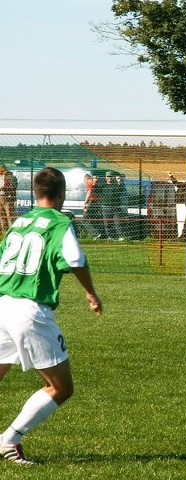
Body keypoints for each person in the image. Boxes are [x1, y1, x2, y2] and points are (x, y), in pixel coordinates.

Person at [0, 167, 102, 465]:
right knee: (61, 387)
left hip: (2, 302)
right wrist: (90, 292)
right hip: (30, 311)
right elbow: (75, 259)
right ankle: (9, 439)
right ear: (61, 195)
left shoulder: (19, 222)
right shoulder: (59, 222)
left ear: (35, 192)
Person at [99, 172, 125, 241]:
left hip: (115, 208)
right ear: (105, 177)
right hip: (105, 207)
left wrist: (119, 182)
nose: (109, 178)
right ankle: (110, 237)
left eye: (110, 176)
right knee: (106, 223)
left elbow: (120, 190)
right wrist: (94, 183)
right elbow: (96, 190)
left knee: (117, 222)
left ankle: (120, 237)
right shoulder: (103, 186)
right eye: (108, 176)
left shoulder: (115, 185)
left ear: (112, 177)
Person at [82, 173, 103, 240]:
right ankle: (99, 233)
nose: (84, 182)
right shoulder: (94, 183)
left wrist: (85, 204)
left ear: (86, 179)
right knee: (93, 218)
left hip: (92, 202)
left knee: (84, 219)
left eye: (84, 180)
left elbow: (89, 193)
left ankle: (95, 234)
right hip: (97, 202)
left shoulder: (89, 182)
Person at [0, 165, 18, 237]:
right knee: (1, 216)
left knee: (9, 215)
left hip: (7, 197)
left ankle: (11, 231)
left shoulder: (9, 177)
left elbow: (12, 186)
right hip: (1, 197)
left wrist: (4, 187)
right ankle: (4, 232)